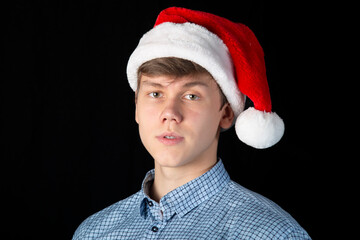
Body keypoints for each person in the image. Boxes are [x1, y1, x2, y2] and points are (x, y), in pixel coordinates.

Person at [72, 7, 311, 239]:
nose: (170, 113)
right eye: (155, 94)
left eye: (191, 96)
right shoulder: (93, 232)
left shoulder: (271, 234)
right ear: (136, 107)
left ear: (226, 114)